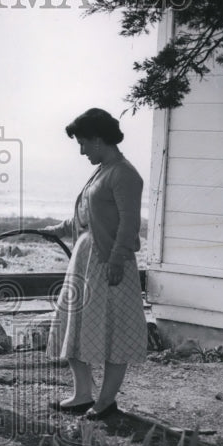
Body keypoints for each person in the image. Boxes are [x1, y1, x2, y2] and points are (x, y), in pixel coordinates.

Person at [40, 108, 148, 420]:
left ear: (99, 140)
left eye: (83, 143)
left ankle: (105, 401)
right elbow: (86, 215)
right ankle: (82, 394)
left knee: (115, 331)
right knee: (71, 325)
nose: (82, 150)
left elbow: (130, 223)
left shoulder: (125, 174)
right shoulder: (102, 171)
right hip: (86, 262)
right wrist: (57, 230)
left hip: (109, 263)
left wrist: (116, 260)